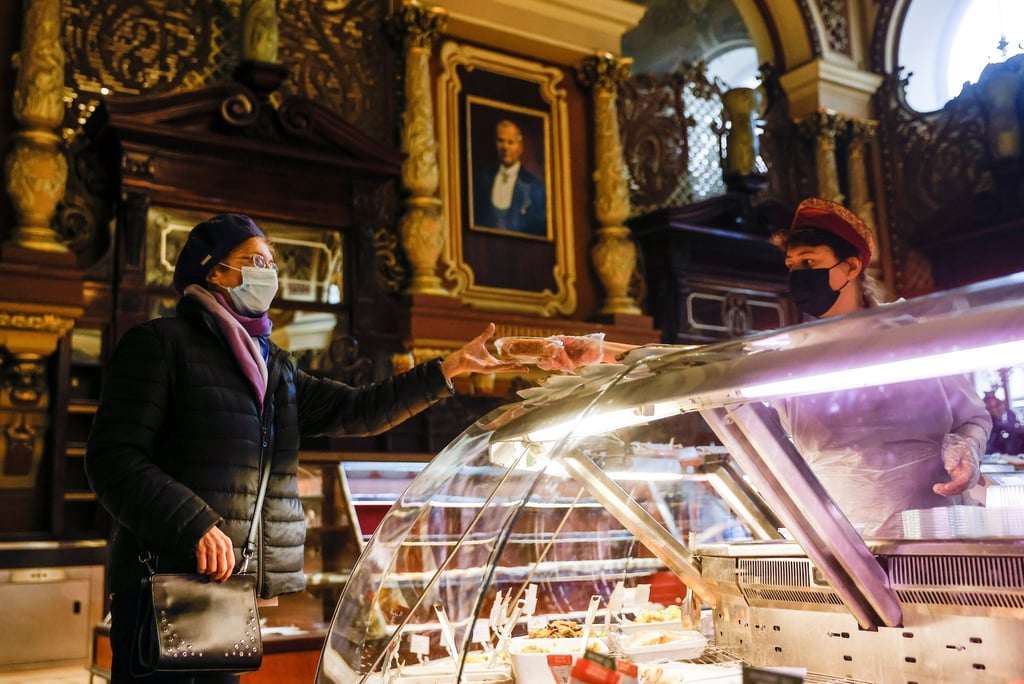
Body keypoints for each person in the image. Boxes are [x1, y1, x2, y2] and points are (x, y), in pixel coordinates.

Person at [85, 214, 525, 683]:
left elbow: (358, 410)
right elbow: (112, 459)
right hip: (160, 583)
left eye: (270, 263)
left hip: (227, 585)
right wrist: (195, 525)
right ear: (214, 271)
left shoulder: (273, 367)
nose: (268, 273)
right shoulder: (157, 345)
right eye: (254, 260)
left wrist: (446, 370)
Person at [768, 197, 992, 536]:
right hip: (838, 537)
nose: (798, 274)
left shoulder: (910, 334)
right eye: (792, 265)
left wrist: (968, 449)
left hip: (930, 528)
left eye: (809, 261)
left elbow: (973, 418)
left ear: (851, 267)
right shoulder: (791, 356)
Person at [473, 119, 547, 236]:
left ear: (520, 147)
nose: (505, 147)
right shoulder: (482, 180)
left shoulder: (535, 187)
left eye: (511, 142)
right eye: (501, 141)